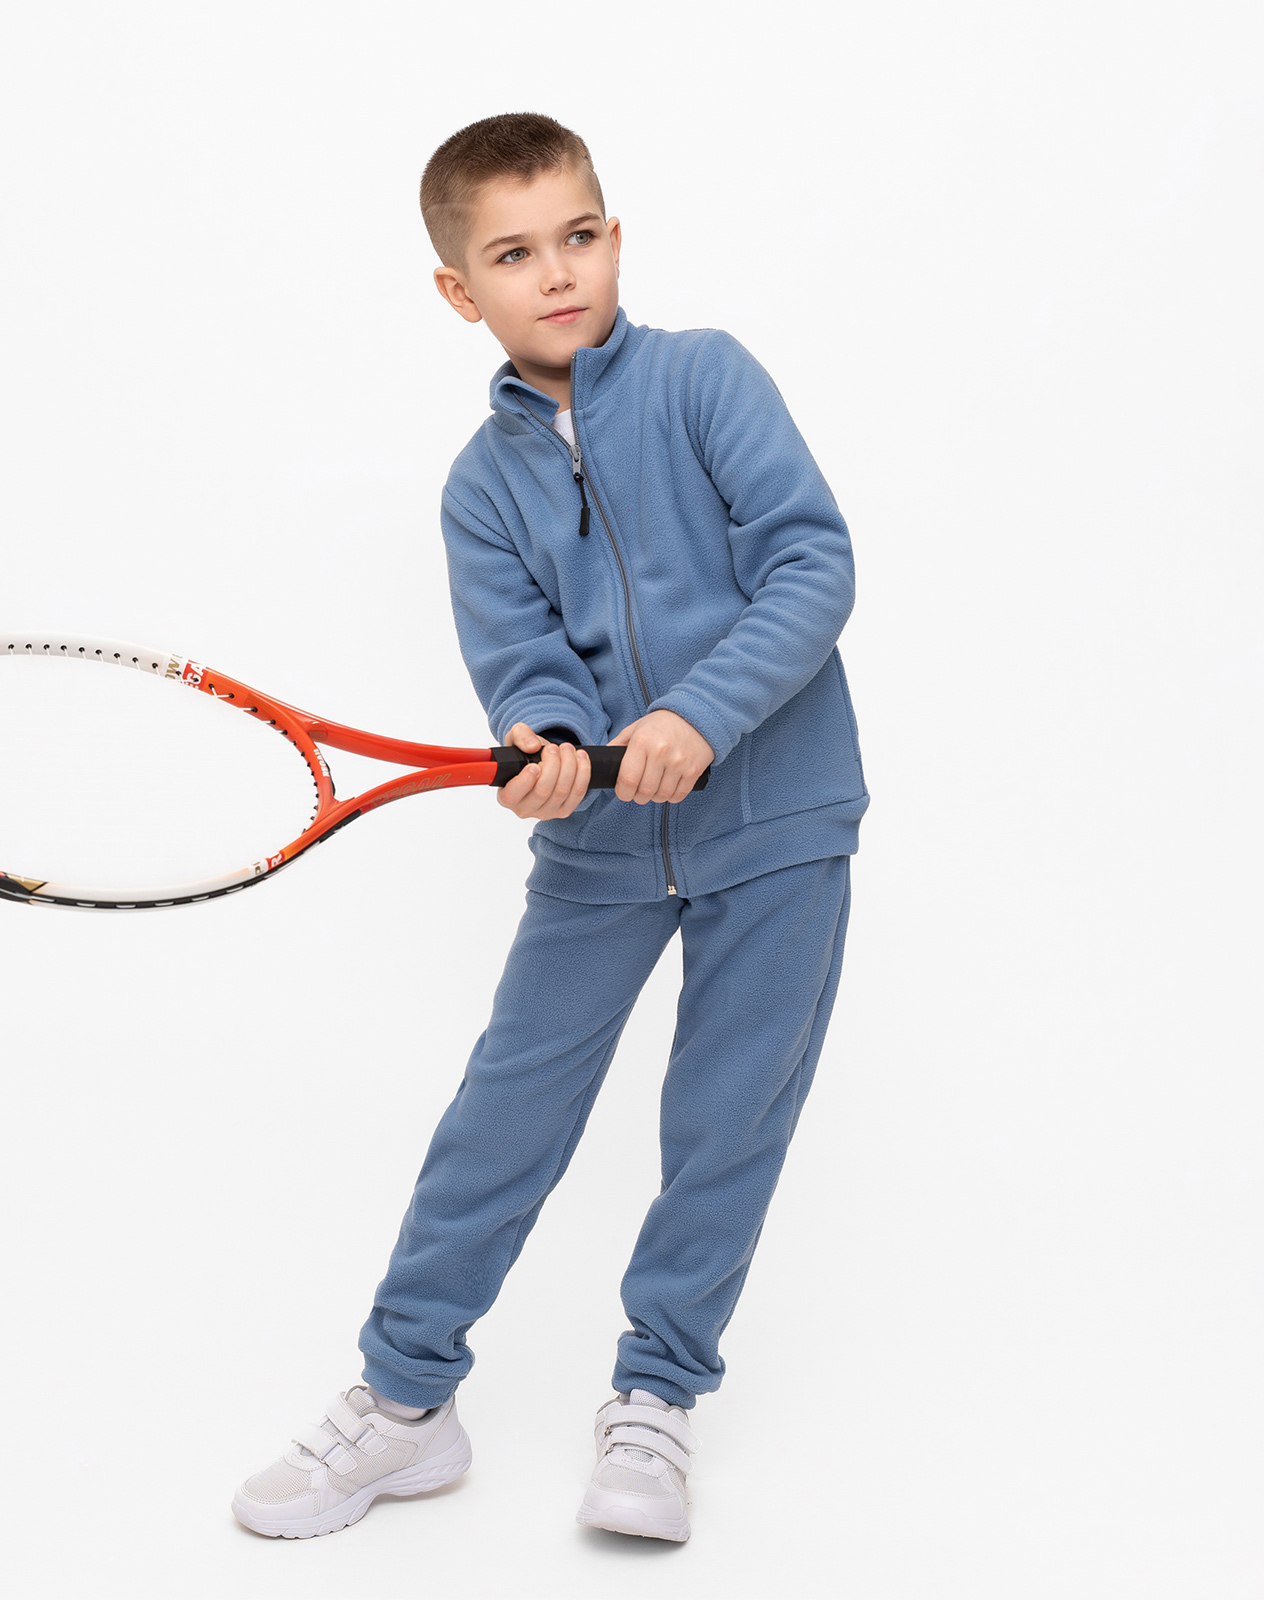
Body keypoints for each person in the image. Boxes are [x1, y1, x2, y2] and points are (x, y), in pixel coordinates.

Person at [231, 112, 867, 1544]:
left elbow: (810, 563)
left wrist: (700, 714)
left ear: (615, 238)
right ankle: (406, 1404)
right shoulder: (480, 486)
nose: (558, 272)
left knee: (726, 1122)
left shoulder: (707, 379)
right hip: (599, 856)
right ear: (460, 292)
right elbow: (525, 667)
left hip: (781, 821)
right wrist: (543, 746)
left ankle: (656, 1400)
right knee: (502, 1119)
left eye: (579, 236)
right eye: (514, 254)